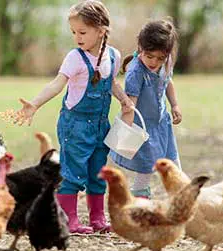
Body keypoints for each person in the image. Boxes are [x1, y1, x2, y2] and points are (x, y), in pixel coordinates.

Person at [13, 0, 133, 234]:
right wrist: (35, 103)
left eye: (82, 32)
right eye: (73, 32)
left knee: (98, 173)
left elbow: (111, 83)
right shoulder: (75, 58)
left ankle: (97, 218)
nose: (77, 37)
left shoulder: (113, 55)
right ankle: (69, 219)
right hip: (75, 125)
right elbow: (57, 84)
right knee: (73, 172)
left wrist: (124, 100)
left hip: (100, 125)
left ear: (101, 30)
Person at [108, 17, 182, 199]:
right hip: (143, 127)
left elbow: (167, 81)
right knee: (146, 168)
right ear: (140, 48)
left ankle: (181, 196)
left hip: (161, 123)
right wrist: (126, 132)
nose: (154, 62)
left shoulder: (166, 62)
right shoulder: (136, 72)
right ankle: (140, 199)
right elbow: (130, 105)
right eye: (150, 56)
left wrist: (174, 105)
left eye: (160, 58)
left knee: (173, 161)